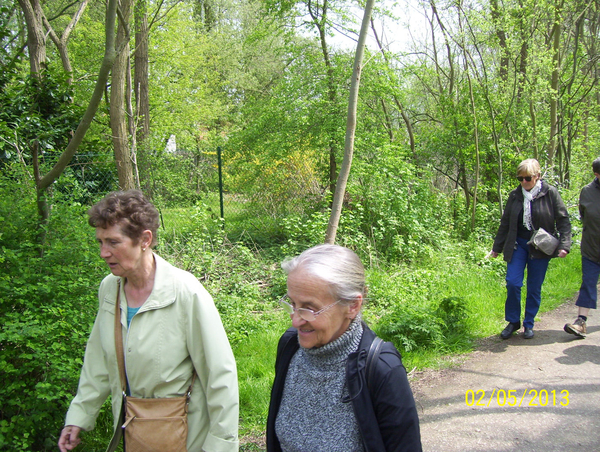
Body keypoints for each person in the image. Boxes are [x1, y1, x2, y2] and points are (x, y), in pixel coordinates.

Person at [58, 190, 239, 452]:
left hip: (185, 433)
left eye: (113, 242)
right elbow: (99, 359)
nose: (103, 253)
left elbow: (219, 374)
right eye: (99, 242)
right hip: (135, 429)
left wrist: (221, 445)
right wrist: (78, 417)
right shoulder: (110, 289)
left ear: (144, 239)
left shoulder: (186, 293)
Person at [266, 244, 422, 452]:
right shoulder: (290, 347)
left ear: (352, 306)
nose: (295, 320)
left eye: (309, 309)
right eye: (292, 304)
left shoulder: (382, 369)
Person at [491, 158, 571, 339]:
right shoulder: (515, 195)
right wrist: (497, 247)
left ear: (537, 176)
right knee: (513, 282)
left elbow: (563, 220)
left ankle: (529, 323)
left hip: (540, 246)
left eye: (527, 178)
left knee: (534, 287)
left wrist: (565, 245)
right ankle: (513, 321)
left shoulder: (550, 193)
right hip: (518, 244)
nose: (523, 182)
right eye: (520, 178)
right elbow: (505, 223)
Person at [564, 157, 600, 338]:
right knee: (588, 284)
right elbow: (584, 216)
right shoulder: (587, 192)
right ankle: (581, 322)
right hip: (592, 248)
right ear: (597, 174)